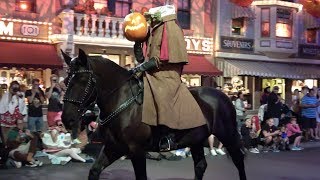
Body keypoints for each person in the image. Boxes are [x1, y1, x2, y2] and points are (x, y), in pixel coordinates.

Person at [132, 4, 206, 150]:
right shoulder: (153, 30)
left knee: (162, 94)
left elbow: (161, 59)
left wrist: (141, 67)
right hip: (151, 71)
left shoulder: (171, 28)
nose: (150, 20)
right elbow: (142, 58)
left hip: (167, 74)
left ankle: (170, 135)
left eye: (152, 18)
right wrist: (137, 41)